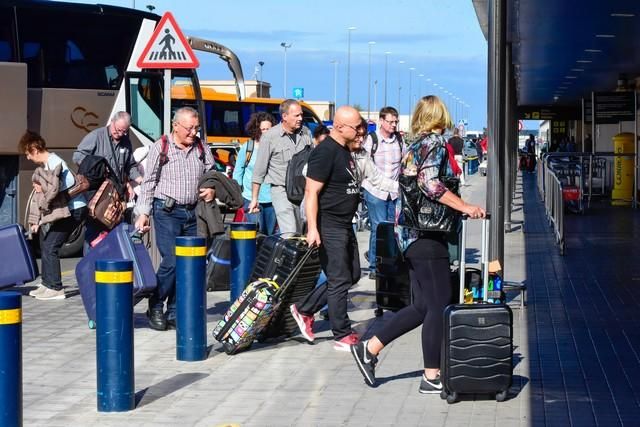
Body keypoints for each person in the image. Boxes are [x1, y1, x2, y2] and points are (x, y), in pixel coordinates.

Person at [350, 95, 485, 393]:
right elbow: (429, 183)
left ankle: (369, 348)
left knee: (423, 304)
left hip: (409, 234)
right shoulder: (435, 144)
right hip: (426, 234)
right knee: (438, 304)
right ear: (440, 116)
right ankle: (431, 375)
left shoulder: (412, 145)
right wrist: (465, 206)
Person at [289, 107, 398, 352]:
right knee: (338, 279)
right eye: (356, 126)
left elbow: (374, 178)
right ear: (339, 127)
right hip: (329, 224)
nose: (361, 131)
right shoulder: (324, 153)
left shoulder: (347, 151)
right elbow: (311, 192)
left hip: (345, 223)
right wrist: (313, 228)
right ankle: (342, 333)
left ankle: (304, 309)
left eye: (361, 126)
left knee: (352, 275)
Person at [134, 107, 215, 331]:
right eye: (189, 128)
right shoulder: (161, 147)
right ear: (176, 126)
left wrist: (211, 190)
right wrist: (143, 213)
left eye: (196, 128)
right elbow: (149, 182)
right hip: (166, 212)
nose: (193, 133)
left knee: (188, 263)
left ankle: (174, 311)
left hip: (193, 214)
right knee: (172, 260)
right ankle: (156, 305)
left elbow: (212, 175)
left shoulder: (201, 147)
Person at [20, 131, 87, 300]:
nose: (28, 158)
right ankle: (47, 283)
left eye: (28, 153)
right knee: (46, 242)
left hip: (75, 209)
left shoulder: (56, 162)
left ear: (35, 149)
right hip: (69, 209)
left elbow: (68, 183)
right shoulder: (49, 164)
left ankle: (56, 288)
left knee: (50, 245)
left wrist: (45, 188)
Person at [73, 111, 142, 250]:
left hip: (115, 196)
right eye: (118, 130)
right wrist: (96, 169)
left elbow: (130, 165)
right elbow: (77, 156)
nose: (120, 134)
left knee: (111, 233)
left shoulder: (125, 141)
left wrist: (139, 179)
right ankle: (90, 267)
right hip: (97, 194)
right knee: (93, 232)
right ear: (112, 122)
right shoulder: (96, 136)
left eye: (124, 131)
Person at [249, 99, 313, 234]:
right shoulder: (270, 137)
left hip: (302, 191)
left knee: (302, 232)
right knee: (290, 232)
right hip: (281, 190)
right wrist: (255, 198)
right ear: (284, 116)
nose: (300, 118)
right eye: (296, 115)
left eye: (301, 115)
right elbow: (259, 170)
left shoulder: (306, 133)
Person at [361, 106, 403, 279]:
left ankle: (389, 263)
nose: (393, 125)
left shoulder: (399, 140)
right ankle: (374, 266)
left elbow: (404, 163)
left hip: (393, 192)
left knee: (393, 229)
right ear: (381, 121)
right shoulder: (372, 140)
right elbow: (364, 164)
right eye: (390, 121)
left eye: (395, 121)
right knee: (378, 228)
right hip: (375, 192)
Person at [232, 112, 277, 235]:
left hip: (272, 199)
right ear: (256, 130)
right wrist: (239, 194)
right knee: (254, 234)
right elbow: (238, 172)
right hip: (249, 197)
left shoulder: (276, 147)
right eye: (263, 129)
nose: (266, 132)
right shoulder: (248, 148)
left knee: (269, 235)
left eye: (269, 129)